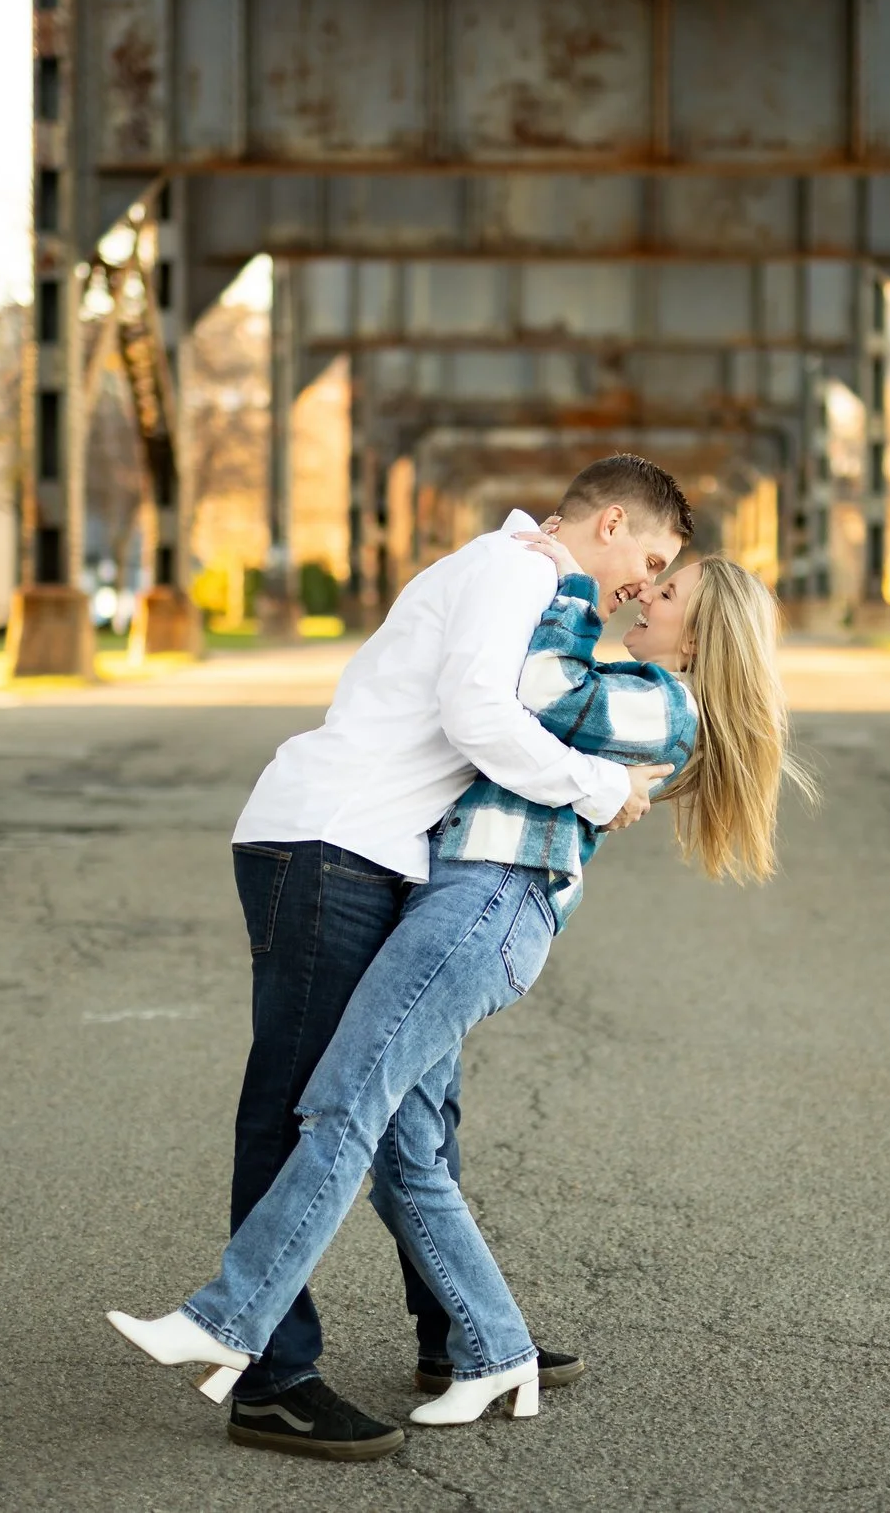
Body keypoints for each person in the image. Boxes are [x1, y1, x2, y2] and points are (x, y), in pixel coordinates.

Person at [108, 547, 800, 1440]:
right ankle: (494, 1350)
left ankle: (226, 1319)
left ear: (701, 633)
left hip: (488, 905)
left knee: (343, 1102)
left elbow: (546, 688)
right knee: (406, 1148)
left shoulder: (660, 703)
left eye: (669, 593)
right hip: (460, 903)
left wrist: (571, 579)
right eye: (655, 581)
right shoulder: (639, 687)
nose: (649, 596)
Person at [168, 456, 695, 1462]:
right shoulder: (519, 571)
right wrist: (596, 786)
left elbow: (536, 691)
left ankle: (456, 1331)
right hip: (334, 840)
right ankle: (273, 1377)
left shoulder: (534, 577)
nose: (646, 582)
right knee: (302, 1099)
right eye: (654, 560)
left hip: (379, 848)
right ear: (616, 520)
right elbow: (483, 717)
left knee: (413, 1102)